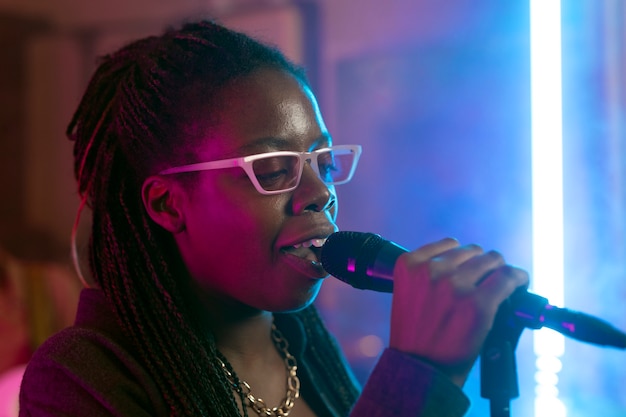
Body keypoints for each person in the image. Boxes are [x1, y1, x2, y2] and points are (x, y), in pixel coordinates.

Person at [18, 20, 528, 417]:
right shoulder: (82, 376)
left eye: (323, 163)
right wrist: (419, 377)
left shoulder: (305, 344)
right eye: (273, 169)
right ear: (168, 204)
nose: (319, 193)